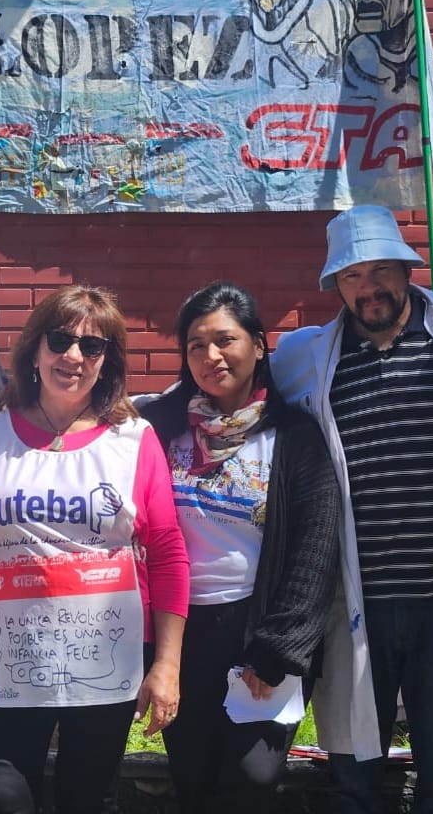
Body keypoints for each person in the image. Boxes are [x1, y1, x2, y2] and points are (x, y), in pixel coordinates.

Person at [271, 205, 433, 814]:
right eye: (352, 275)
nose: (369, 287)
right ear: (336, 285)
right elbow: (226, 387)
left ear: (408, 269)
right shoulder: (304, 355)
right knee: (354, 778)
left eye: (382, 269)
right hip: (357, 600)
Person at [0, 285, 189, 814]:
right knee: (2, 794)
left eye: (92, 346)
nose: (73, 356)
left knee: (87, 797)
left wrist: (167, 665)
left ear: (106, 362)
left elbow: (167, 553)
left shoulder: (134, 439)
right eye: (60, 340)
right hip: (13, 654)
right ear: (34, 350)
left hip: (106, 653)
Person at [137, 282, 341, 813]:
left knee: (252, 777)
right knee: (193, 776)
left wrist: (278, 646)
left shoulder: (294, 436)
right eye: (196, 345)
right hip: (180, 632)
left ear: (258, 344)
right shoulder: (158, 428)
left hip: (258, 629)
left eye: (225, 340)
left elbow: (316, 547)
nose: (211, 356)